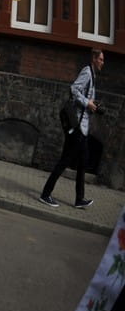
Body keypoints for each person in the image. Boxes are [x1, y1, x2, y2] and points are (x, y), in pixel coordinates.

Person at [39, 49, 104, 209]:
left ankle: (79, 199)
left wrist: (93, 105)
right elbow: (74, 89)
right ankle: (45, 194)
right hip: (77, 127)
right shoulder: (87, 72)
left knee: (83, 162)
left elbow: (86, 97)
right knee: (65, 161)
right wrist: (87, 103)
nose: (103, 63)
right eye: (101, 59)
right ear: (94, 59)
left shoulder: (93, 75)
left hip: (83, 128)